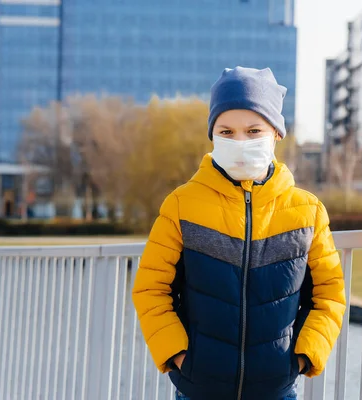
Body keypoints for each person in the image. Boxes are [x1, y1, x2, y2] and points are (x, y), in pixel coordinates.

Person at [132, 66, 346, 400]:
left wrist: (305, 355)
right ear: (213, 135)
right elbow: (150, 288)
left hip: (277, 390)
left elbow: (329, 293)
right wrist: (177, 354)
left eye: (253, 130)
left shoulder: (309, 211)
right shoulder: (181, 205)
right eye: (227, 131)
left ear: (275, 133)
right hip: (198, 390)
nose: (240, 141)